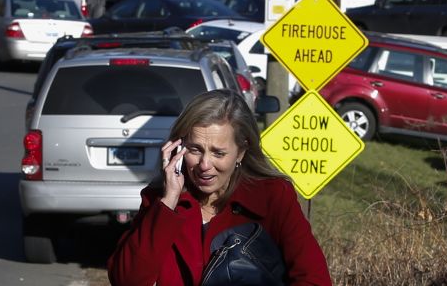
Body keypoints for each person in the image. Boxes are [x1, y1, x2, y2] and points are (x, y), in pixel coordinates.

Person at [107, 89, 332, 286]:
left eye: (218, 153)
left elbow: (314, 278)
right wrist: (168, 202)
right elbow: (126, 279)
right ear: (179, 148)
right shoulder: (161, 201)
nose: (205, 165)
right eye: (195, 149)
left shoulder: (272, 197)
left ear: (241, 152)